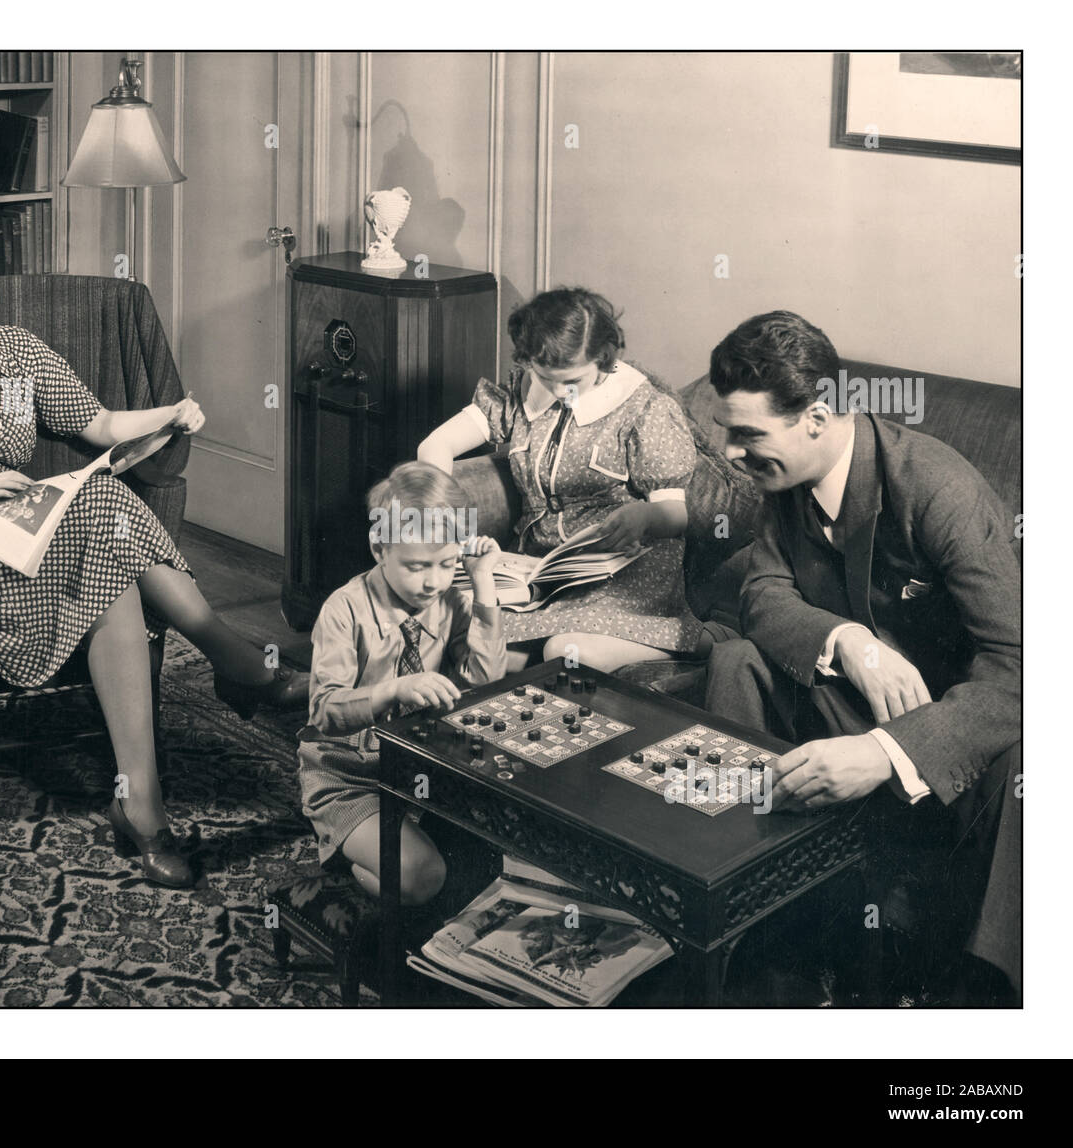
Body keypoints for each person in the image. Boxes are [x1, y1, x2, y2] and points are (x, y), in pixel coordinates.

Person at [0, 228, 309, 889]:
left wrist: (166, 413)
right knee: (100, 526)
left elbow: (99, 425)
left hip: (20, 520)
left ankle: (140, 802)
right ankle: (232, 664)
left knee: (102, 520)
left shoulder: (20, 350)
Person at [702, 310, 1021, 1003]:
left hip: (954, 734)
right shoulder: (785, 478)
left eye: (746, 433)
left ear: (816, 419)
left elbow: (1023, 666)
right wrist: (848, 642)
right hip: (856, 697)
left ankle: (975, 994)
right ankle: (747, 911)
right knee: (736, 663)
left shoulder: (938, 487)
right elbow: (762, 592)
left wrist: (884, 751)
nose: (730, 452)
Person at [418, 287, 744, 672]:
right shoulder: (523, 389)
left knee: (567, 653)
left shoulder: (645, 408)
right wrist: (451, 525)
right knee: (476, 646)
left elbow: (676, 514)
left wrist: (644, 516)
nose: (557, 392)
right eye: (545, 378)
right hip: (538, 567)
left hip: (622, 574)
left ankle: (703, 640)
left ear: (603, 359)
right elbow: (434, 446)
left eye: (571, 381)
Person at [298, 461, 506, 904]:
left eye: (448, 563)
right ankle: (350, 861)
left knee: (497, 855)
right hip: (350, 779)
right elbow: (323, 711)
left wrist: (483, 581)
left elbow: (485, 682)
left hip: (423, 771)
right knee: (424, 878)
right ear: (379, 549)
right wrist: (391, 690)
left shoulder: (451, 599)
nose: (433, 581)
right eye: (416, 566)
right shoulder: (343, 610)